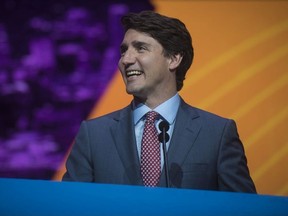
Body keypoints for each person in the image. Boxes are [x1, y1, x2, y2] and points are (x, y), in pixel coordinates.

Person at [62, 10, 256, 193]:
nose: (126, 59)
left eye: (141, 48)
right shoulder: (93, 135)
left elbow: (245, 209)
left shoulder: (217, 134)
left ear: (173, 59)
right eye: (123, 51)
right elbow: (69, 206)